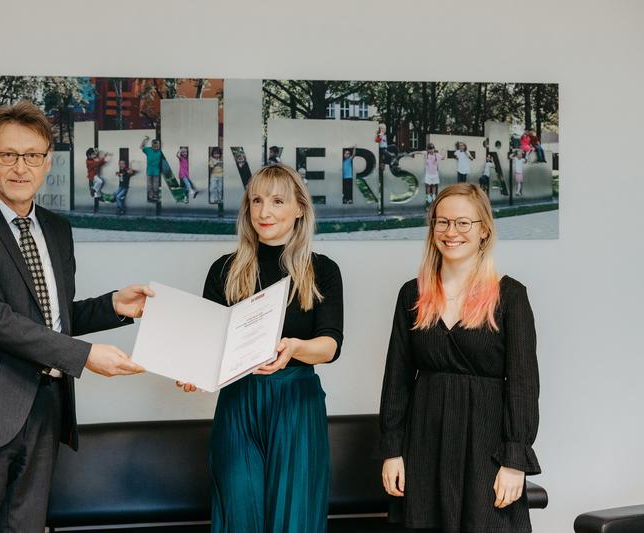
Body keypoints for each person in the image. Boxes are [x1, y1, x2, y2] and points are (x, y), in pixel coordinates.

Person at [0, 101, 152, 532]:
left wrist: (113, 306)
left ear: (47, 162)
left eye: (32, 156)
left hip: (44, 410)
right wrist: (83, 357)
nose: (19, 167)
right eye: (8, 155)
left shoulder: (57, 229)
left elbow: (48, 318)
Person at [178, 164, 343, 533]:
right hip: (239, 401)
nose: (264, 212)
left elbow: (330, 345)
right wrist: (194, 372)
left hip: (296, 401)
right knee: (239, 513)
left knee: (294, 517)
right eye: (256, 200)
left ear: (299, 208)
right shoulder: (225, 269)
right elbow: (208, 346)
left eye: (277, 201)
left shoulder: (322, 271)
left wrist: (295, 347)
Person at [378, 183, 540, 533]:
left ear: (484, 231)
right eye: (442, 222)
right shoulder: (413, 293)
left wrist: (515, 461)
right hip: (424, 446)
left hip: (487, 448)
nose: (451, 232)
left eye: (464, 223)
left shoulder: (510, 296)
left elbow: (524, 385)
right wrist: (393, 451)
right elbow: (396, 379)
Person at [141, 135, 162, 202]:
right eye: (154, 146)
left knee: (155, 186)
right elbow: (141, 147)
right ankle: (151, 196)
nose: (156, 147)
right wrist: (145, 140)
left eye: (157, 146)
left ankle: (155, 196)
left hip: (156, 171)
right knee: (149, 186)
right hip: (149, 171)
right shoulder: (149, 150)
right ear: (152, 145)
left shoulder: (160, 152)